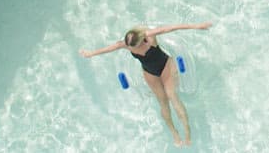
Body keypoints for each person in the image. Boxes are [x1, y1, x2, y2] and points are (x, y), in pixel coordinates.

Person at [79, 22, 213, 146]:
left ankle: (187, 132)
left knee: (172, 96)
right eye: (129, 46)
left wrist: (197, 26)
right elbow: (108, 49)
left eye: (133, 46)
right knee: (163, 102)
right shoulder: (126, 44)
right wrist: (90, 54)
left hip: (166, 65)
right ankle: (174, 134)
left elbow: (171, 28)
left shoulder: (149, 36)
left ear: (141, 40)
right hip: (149, 72)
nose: (130, 48)